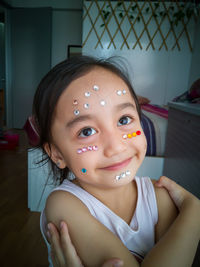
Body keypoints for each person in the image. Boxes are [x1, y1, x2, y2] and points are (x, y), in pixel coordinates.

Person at [33, 56, 200, 267]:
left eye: (124, 120)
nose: (116, 147)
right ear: (57, 154)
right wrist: (194, 212)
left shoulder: (159, 198)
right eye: (87, 131)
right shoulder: (63, 205)